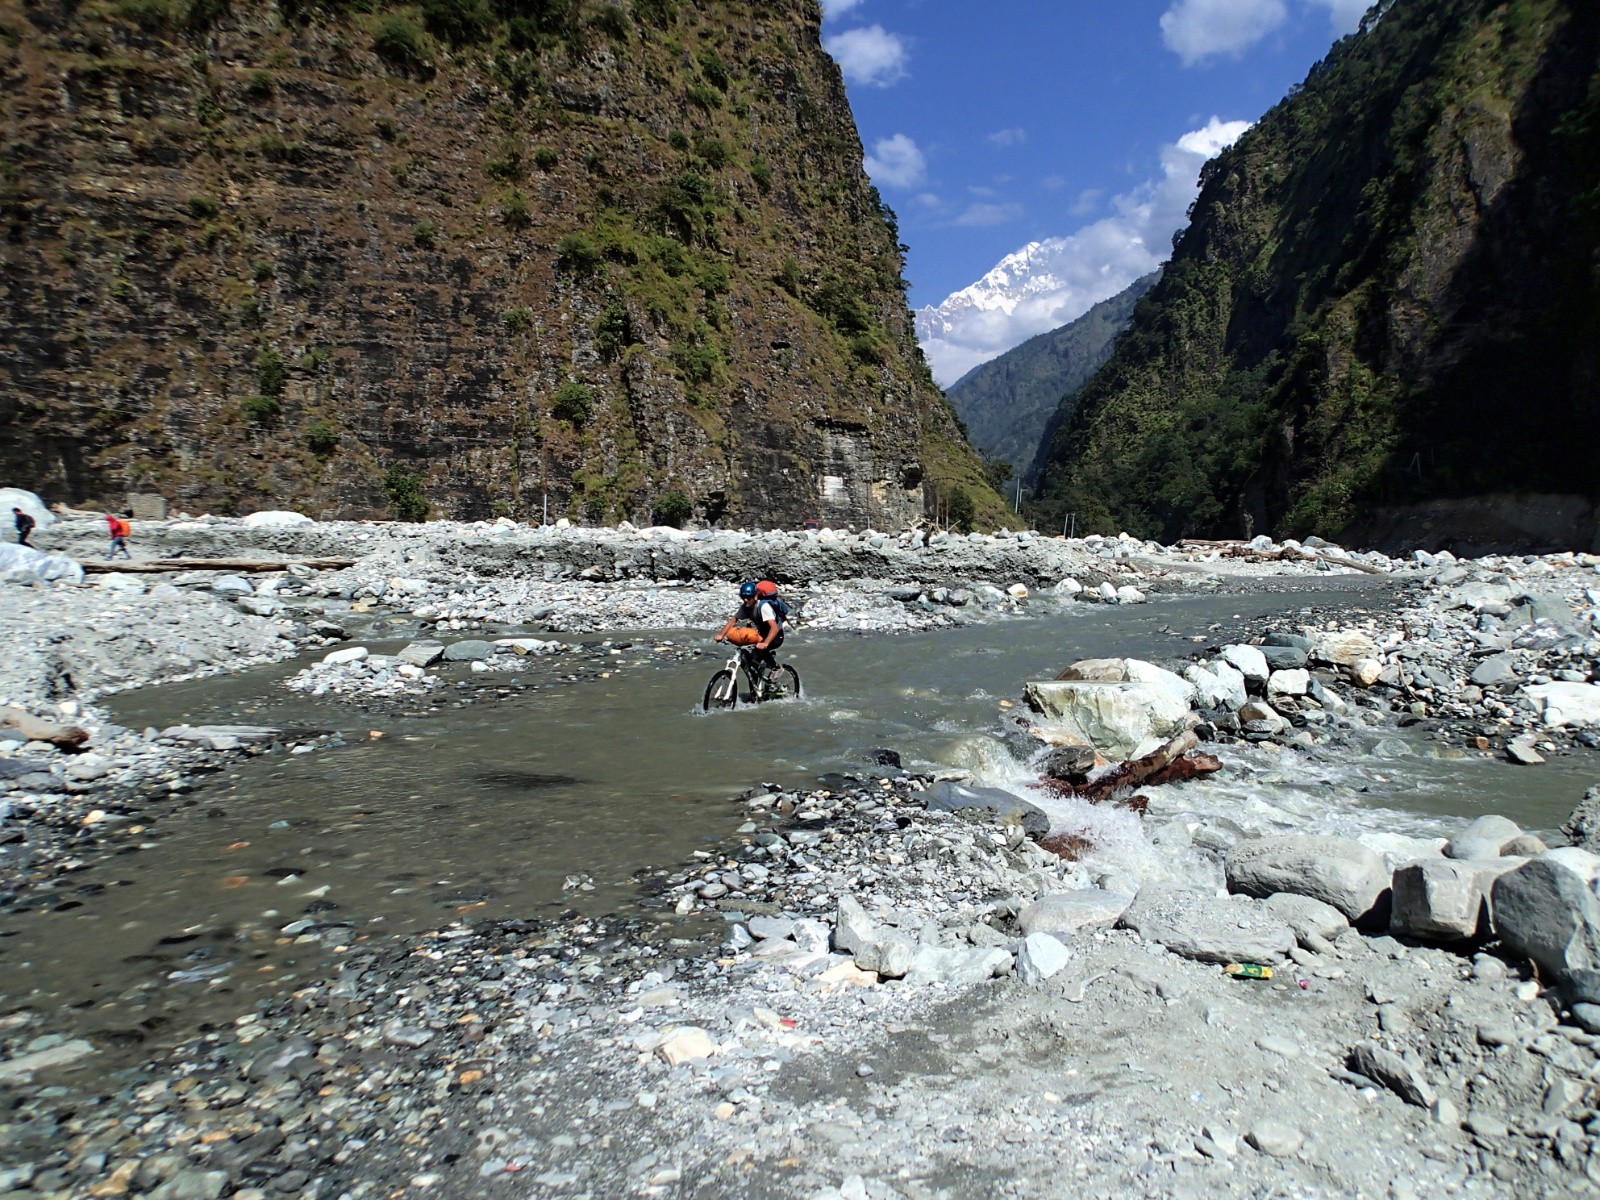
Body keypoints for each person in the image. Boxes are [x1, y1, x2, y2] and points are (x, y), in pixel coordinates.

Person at [714, 580, 787, 692]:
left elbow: (774, 628)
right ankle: (755, 693)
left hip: (776, 636)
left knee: (761, 651)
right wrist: (721, 635)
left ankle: (776, 668)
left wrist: (765, 643)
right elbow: (733, 620)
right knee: (751, 664)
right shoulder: (745, 607)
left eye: (748, 597)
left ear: (755, 596)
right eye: (743, 597)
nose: (745, 600)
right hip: (762, 634)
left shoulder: (764, 607)